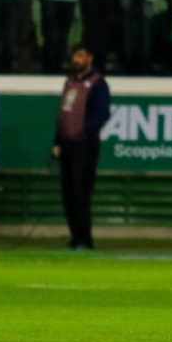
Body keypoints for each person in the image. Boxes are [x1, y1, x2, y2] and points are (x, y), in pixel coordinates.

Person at [52, 43, 111, 251]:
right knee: (68, 193)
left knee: (81, 193)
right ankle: (74, 237)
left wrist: (83, 129)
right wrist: (57, 142)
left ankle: (85, 239)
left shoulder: (98, 84)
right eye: (75, 55)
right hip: (67, 145)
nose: (76, 59)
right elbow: (63, 114)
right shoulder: (69, 82)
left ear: (90, 59)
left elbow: (103, 113)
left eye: (81, 56)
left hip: (85, 146)